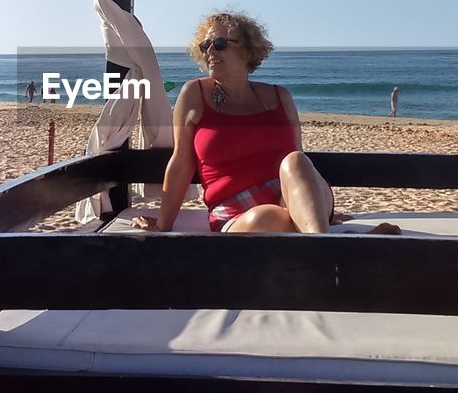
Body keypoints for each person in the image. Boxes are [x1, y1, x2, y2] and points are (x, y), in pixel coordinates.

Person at [131, 12, 399, 235]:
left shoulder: (280, 96)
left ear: (248, 50)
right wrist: (163, 225)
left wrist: (314, 205)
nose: (210, 51)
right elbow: (181, 162)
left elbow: (299, 163)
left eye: (220, 44)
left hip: (292, 198)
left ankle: (321, 243)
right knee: (268, 218)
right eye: (205, 45)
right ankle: (332, 244)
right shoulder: (194, 95)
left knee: (294, 161)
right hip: (235, 211)